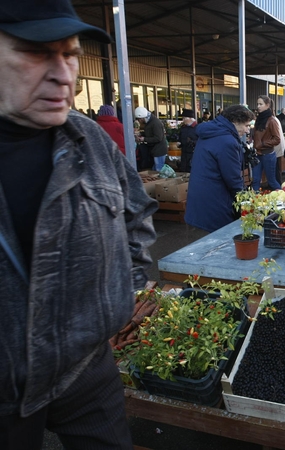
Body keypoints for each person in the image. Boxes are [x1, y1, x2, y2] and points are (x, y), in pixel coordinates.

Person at [0, 2, 158, 448]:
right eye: (36, 52)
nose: (63, 73)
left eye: (69, 54)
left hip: (86, 368)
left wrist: (124, 290)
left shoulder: (87, 138)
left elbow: (137, 214)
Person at [185, 105, 255, 232]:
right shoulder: (227, 141)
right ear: (235, 122)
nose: (247, 131)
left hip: (200, 198)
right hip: (215, 200)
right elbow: (233, 179)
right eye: (246, 125)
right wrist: (247, 202)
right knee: (218, 243)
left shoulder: (211, 132)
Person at [251, 95, 281, 191]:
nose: (258, 106)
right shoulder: (258, 119)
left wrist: (262, 143)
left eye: (261, 104)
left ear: (267, 105)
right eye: (257, 104)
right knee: (255, 180)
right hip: (257, 154)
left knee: (271, 181)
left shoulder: (272, 120)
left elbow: (277, 139)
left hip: (268, 154)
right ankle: (254, 202)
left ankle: (283, 199)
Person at [135, 106, 168, 171]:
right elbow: (151, 134)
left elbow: (158, 138)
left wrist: (144, 139)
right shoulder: (150, 122)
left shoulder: (155, 123)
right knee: (156, 169)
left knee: (158, 170)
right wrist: (141, 135)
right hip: (155, 150)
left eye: (139, 119)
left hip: (159, 151)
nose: (139, 122)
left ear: (141, 118)